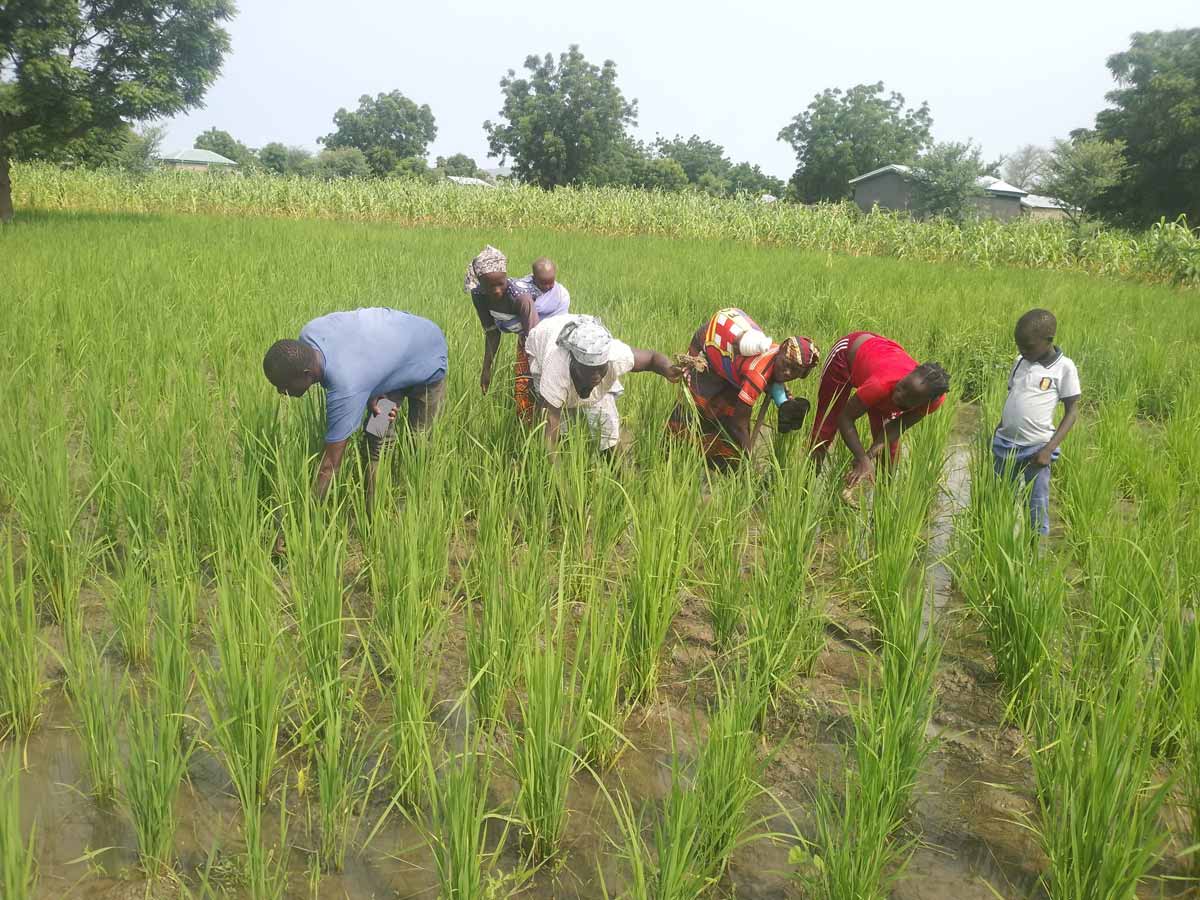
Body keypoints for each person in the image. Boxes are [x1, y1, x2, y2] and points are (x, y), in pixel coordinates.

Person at [262, 307, 448, 503]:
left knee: (419, 442)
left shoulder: (346, 387)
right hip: (389, 358)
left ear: (307, 373)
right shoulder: (310, 334)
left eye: (284, 385)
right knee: (377, 438)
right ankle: (374, 513)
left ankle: (415, 501)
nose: (281, 392)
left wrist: (305, 517)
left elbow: (330, 465)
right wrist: (370, 391)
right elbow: (361, 360)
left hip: (426, 353)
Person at [667, 307, 820, 469]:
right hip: (708, 348)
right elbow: (739, 424)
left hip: (733, 364)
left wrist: (784, 402)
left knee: (728, 409)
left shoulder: (774, 356)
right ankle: (672, 456)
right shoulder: (756, 373)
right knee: (697, 407)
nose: (788, 372)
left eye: (796, 371)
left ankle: (717, 464)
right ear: (779, 353)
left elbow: (771, 379)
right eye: (786, 365)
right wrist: (749, 462)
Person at [524, 314, 681, 453]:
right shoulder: (556, 368)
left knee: (607, 429)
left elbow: (652, 358)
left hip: (584, 337)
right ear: (575, 362)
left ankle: (615, 467)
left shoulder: (615, 355)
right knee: (561, 425)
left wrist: (668, 369)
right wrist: (555, 474)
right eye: (589, 369)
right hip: (542, 338)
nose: (596, 376)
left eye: (600, 369)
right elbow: (551, 420)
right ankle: (567, 452)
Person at [810, 332, 950, 485]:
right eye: (902, 387)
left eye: (908, 398)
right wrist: (861, 458)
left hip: (878, 369)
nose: (898, 396)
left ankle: (883, 499)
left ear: (923, 402)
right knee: (825, 428)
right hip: (846, 356)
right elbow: (845, 418)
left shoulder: (933, 400)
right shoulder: (882, 383)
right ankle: (807, 483)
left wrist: (868, 457)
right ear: (908, 374)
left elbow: (895, 428)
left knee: (888, 450)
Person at [992, 309, 1080, 536]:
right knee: (1000, 499)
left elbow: (1072, 411)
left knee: (1036, 502)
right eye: (1019, 346)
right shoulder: (1020, 361)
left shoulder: (1064, 368)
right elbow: (1014, 397)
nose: (1022, 351)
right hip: (1005, 445)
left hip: (1037, 449)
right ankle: (1000, 539)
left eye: (1028, 347)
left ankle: (1035, 551)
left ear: (1049, 340)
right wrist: (998, 428)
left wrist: (1048, 449)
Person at [464, 246, 570, 424]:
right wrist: (486, 369)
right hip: (527, 337)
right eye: (490, 286)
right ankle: (526, 431)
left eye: (501, 283)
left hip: (544, 339)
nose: (497, 290)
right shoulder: (479, 295)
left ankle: (554, 428)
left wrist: (541, 371)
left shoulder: (520, 297)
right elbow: (491, 332)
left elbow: (535, 338)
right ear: (480, 282)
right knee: (523, 388)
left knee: (547, 387)